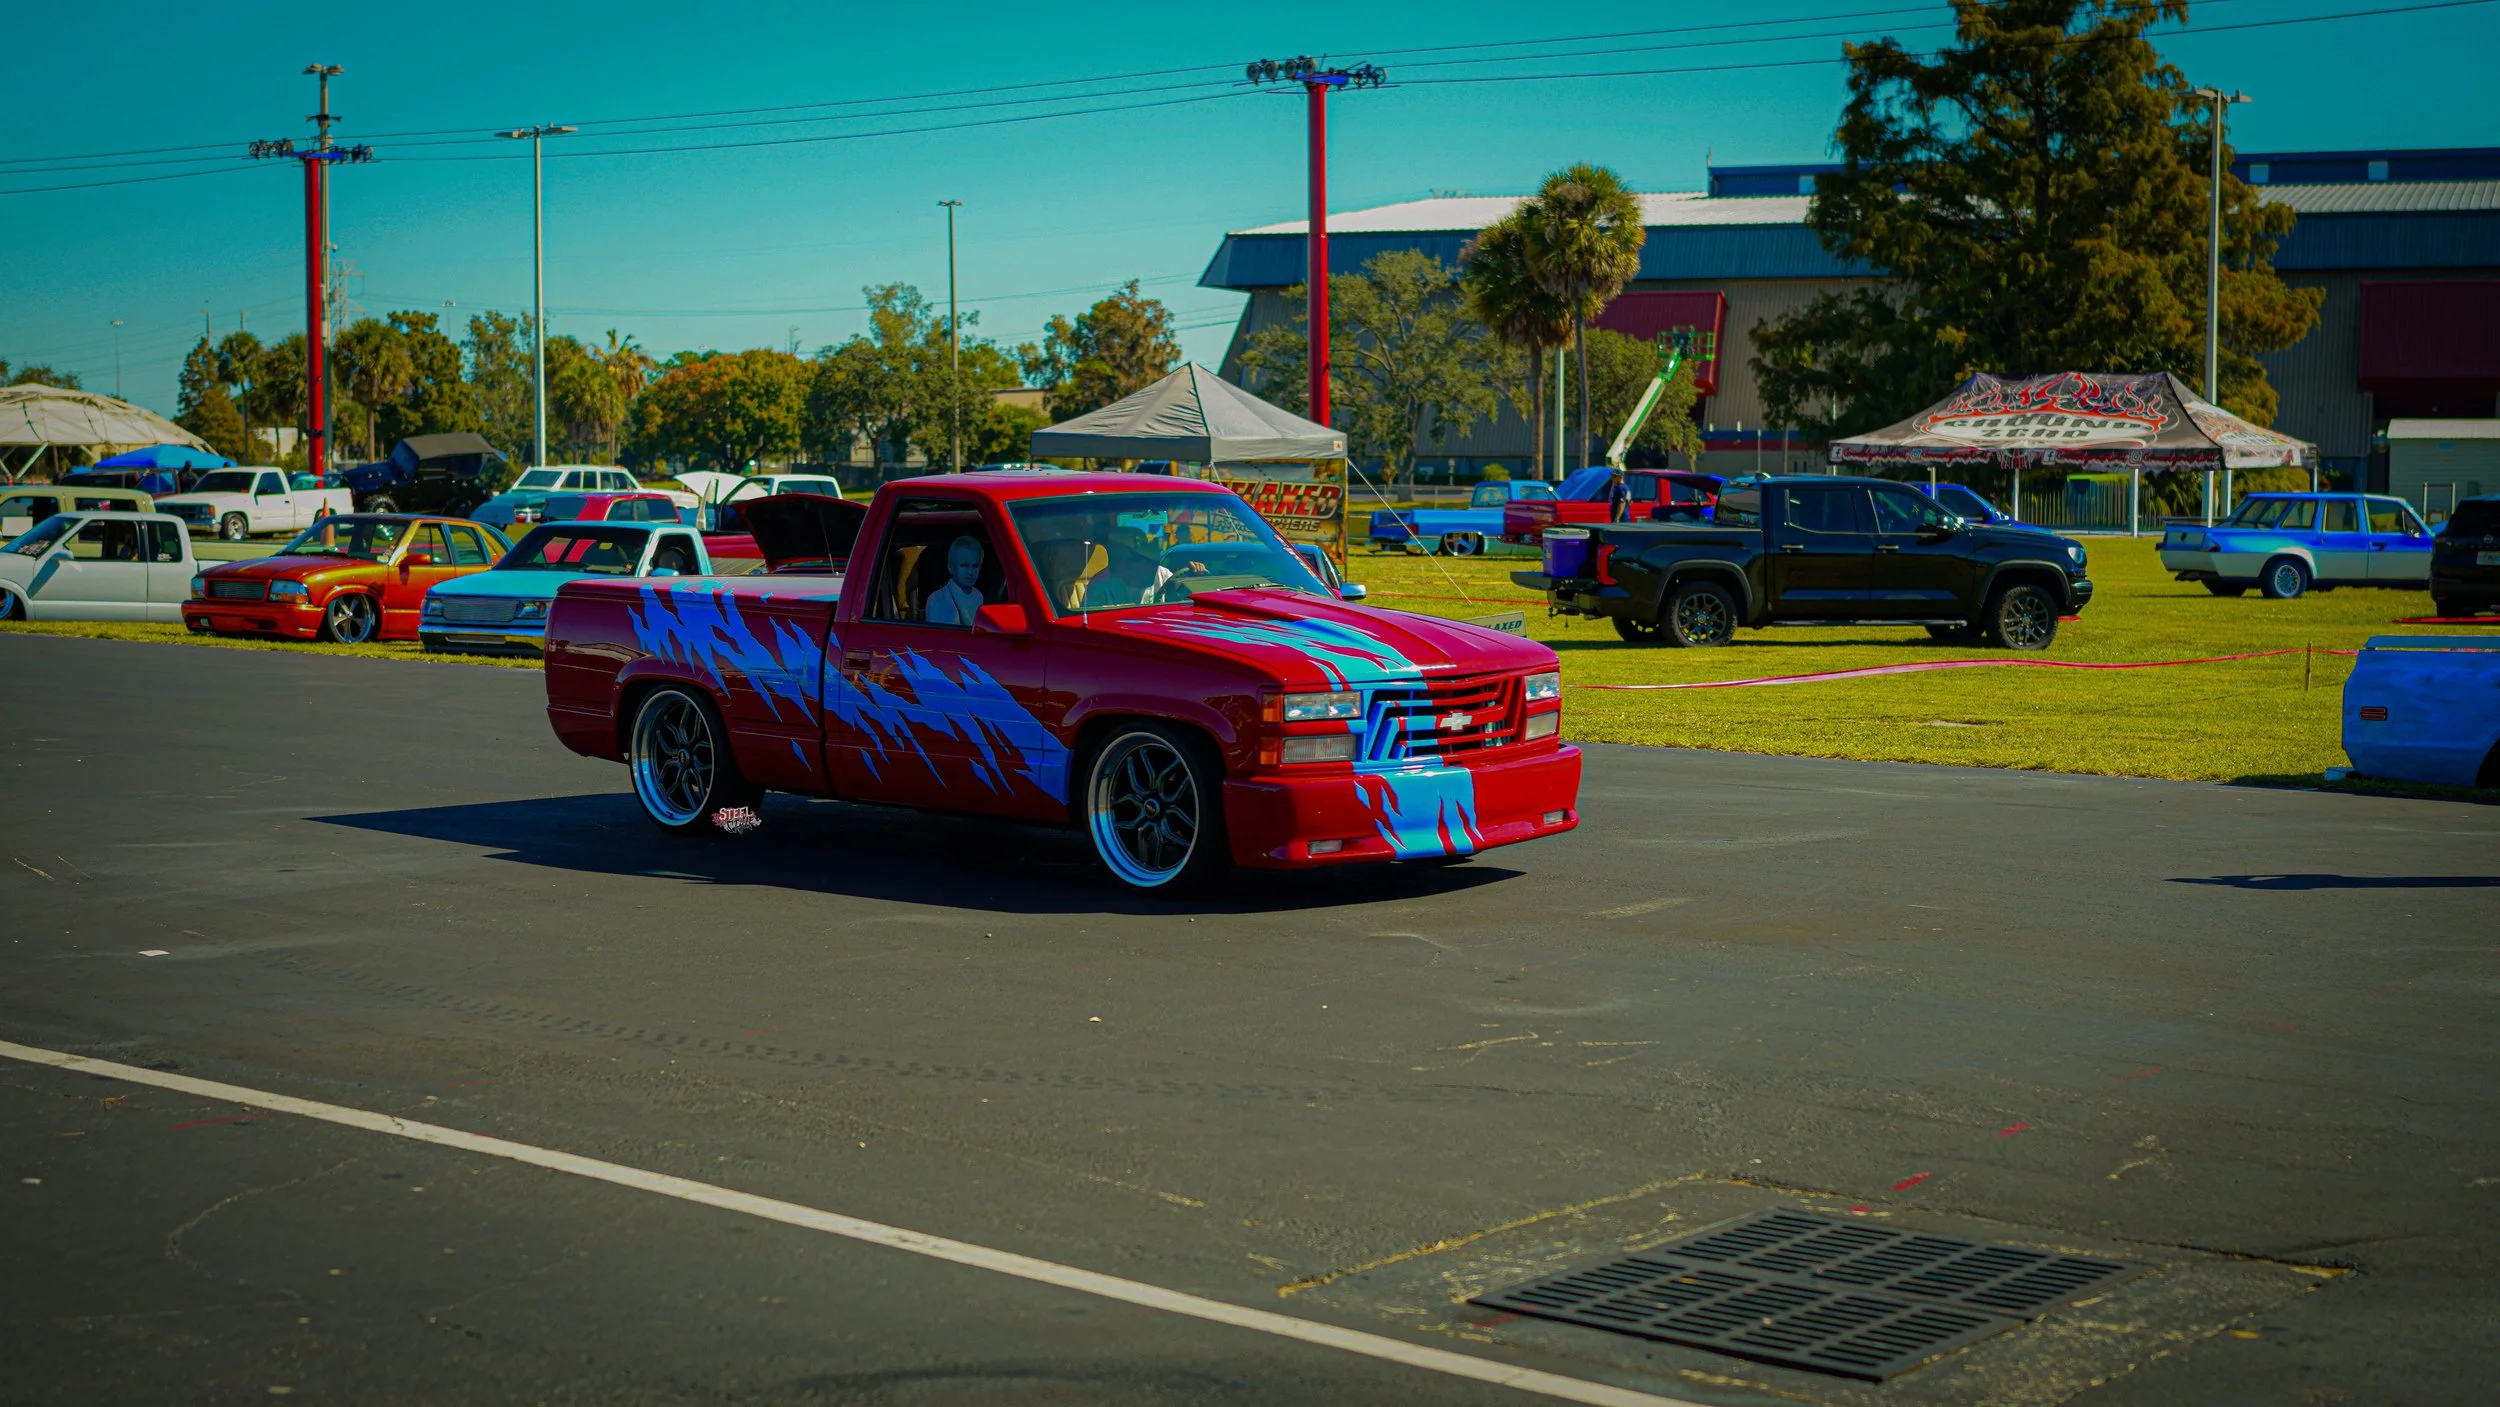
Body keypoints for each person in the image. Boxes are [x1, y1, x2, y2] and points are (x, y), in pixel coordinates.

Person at [1078, 525, 1172, 609]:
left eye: (1147, 560)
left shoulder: (1162, 575)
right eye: (1135, 558)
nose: (1149, 566)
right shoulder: (1100, 586)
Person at [924, 534, 987, 625]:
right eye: (964, 565)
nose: (970, 571)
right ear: (950, 568)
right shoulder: (936, 599)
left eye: (975, 566)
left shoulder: (979, 596)